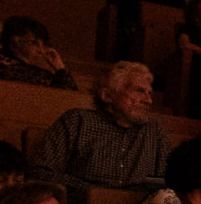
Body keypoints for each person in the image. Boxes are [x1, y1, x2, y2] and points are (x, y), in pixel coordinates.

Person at [29, 61, 169, 191]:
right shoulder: (77, 121)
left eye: (150, 93)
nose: (149, 100)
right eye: (139, 91)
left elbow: (169, 181)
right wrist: (92, 191)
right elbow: (41, 173)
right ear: (107, 96)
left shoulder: (153, 132)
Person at [0, 14, 77, 90]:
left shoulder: (45, 75)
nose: (41, 49)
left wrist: (60, 68)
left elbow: (67, 98)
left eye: (44, 44)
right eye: (33, 43)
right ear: (14, 43)